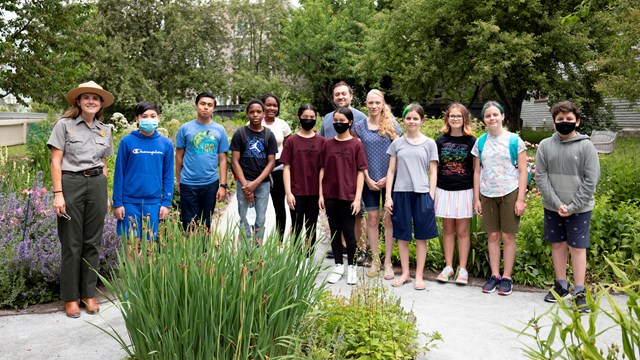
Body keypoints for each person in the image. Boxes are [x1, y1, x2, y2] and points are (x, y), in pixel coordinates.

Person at [47, 81, 114, 318]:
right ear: (78, 101)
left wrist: (105, 195)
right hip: (71, 183)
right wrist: (58, 194)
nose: (91, 101)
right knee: (72, 243)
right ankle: (71, 298)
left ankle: (88, 294)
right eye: (86, 97)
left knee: (92, 243)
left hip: (96, 184)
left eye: (96, 99)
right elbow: (56, 161)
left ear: (101, 104)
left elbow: (104, 164)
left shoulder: (105, 130)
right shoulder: (64, 126)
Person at [535, 101, 599, 313]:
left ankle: (580, 291)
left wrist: (573, 206)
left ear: (577, 121)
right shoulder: (545, 145)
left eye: (569, 119)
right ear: (554, 121)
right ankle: (561, 286)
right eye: (560, 119)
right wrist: (557, 203)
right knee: (557, 245)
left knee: (578, 248)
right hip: (553, 206)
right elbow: (541, 176)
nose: (564, 122)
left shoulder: (586, 146)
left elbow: (591, 180)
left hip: (579, 208)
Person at [471, 101, 527, 296]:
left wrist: (521, 199)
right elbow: (477, 171)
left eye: (496, 114)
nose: (492, 118)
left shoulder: (514, 140)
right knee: (493, 236)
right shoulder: (480, 142)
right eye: (488, 116)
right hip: (487, 194)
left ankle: (507, 277)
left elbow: (522, 171)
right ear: (484, 119)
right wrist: (476, 198)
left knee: (508, 236)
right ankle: (494, 275)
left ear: (502, 116)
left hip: (510, 191)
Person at [384, 104, 439, 290]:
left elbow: (433, 171)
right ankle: (405, 273)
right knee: (403, 236)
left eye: (415, 118)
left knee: (422, 236)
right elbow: (391, 172)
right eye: (408, 118)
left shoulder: (429, 143)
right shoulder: (397, 143)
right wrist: (388, 197)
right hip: (401, 193)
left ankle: (419, 276)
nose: (412, 121)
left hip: (422, 193)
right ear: (403, 120)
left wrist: (431, 196)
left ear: (422, 120)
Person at [353, 89, 402, 278]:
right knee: (372, 219)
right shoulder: (359, 127)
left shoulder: (393, 126)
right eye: (370, 103)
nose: (374, 106)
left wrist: (388, 177)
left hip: (389, 179)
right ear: (366, 104)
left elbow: (398, 153)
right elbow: (358, 155)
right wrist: (366, 178)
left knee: (387, 220)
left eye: (377, 103)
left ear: (383, 104)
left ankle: (388, 262)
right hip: (369, 180)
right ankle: (375, 260)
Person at [112, 101, 174, 242]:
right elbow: (119, 174)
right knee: (131, 244)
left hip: (153, 203)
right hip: (129, 202)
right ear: (137, 119)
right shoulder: (127, 142)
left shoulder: (166, 144)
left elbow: (168, 175)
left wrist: (166, 202)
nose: (149, 119)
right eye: (144, 116)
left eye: (153, 116)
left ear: (158, 118)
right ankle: (131, 266)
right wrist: (118, 202)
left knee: (148, 247)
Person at [319, 81, 367, 259]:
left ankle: (361, 248)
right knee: (336, 213)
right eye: (337, 94)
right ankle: (341, 245)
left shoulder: (361, 117)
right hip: (333, 173)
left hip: (352, 173)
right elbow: (321, 141)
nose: (340, 97)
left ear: (350, 96)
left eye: (343, 94)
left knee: (357, 212)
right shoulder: (327, 118)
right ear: (333, 97)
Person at [434, 103, 476, 285]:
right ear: (447, 118)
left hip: (465, 190)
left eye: (459, 116)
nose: (455, 119)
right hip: (444, 190)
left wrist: (477, 196)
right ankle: (449, 267)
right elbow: (435, 169)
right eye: (452, 116)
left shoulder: (472, 141)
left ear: (464, 118)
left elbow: (476, 170)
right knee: (448, 230)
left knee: (463, 231)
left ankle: (463, 269)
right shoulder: (440, 141)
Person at [175, 92, 229, 231]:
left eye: (210, 105)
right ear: (196, 106)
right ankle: (190, 252)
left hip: (210, 183)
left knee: (206, 223)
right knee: (189, 224)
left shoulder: (219, 130)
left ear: (213, 109)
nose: (206, 107)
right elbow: (179, 156)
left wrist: (223, 185)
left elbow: (222, 159)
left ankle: (204, 252)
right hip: (188, 183)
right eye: (203, 104)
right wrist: (179, 180)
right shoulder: (185, 129)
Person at [230, 99, 278, 244]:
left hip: (262, 184)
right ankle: (244, 253)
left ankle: (257, 252)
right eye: (252, 112)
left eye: (258, 112)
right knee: (244, 218)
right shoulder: (240, 133)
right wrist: (246, 186)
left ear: (263, 114)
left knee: (260, 219)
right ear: (247, 114)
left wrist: (255, 184)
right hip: (244, 184)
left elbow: (271, 162)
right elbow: (235, 161)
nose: (255, 115)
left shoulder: (269, 135)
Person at [281, 104, 325, 253]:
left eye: (312, 117)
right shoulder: (292, 141)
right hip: (296, 192)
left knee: (311, 226)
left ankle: (309, 256)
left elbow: (322, 169)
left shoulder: (321, 142)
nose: (309, 120)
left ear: (316, 119)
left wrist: (321, 194)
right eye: (305, 117)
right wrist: (288, 193)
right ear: (299, 117)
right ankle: (296, 257)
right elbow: (286, 167)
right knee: (297, 225)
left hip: (314, 193)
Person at [260, 93, 292, 242]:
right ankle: (256, 239)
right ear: (262, 106)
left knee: (279, 205)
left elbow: (289, 147)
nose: (271, 108)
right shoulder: (254, 122)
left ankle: (279, 240)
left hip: (278, 167)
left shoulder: (282, 125)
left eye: (275, 105)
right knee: (258, 205)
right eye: (268, 105)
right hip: (258, 167)